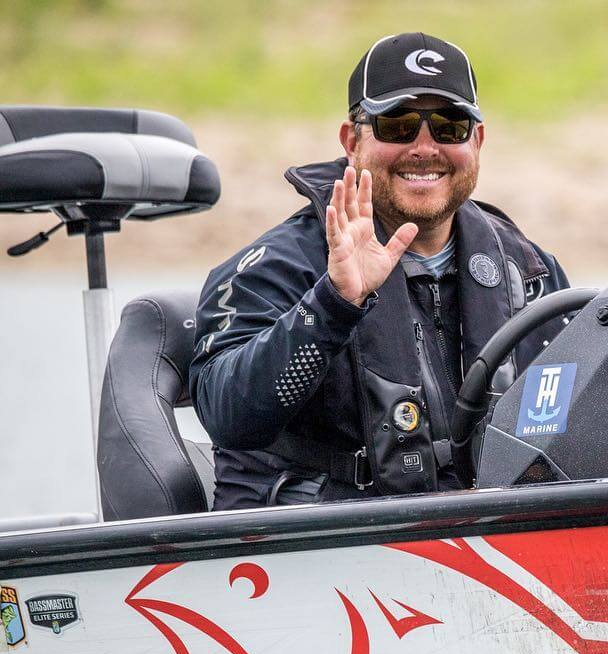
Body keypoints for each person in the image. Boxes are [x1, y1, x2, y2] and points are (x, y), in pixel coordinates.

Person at [191, 33, 570, 509]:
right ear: (352, 141)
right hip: (318, 552)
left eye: (449, 127)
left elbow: (588, 424)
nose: (424, 148)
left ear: (478, 140)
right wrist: (333, 303)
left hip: (482, 544)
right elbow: (229, 415)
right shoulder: (273, 269)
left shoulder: (530, 272)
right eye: (399, 125)